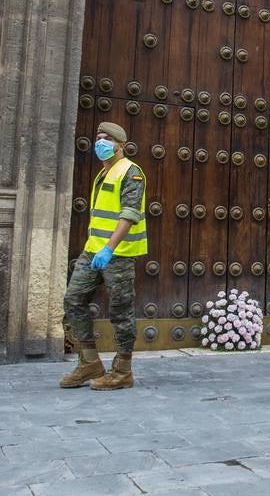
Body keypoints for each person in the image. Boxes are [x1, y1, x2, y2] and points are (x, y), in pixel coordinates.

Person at [60, 121, 148, 391]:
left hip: (118, 253)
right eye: (98, 137)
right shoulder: (103, 173)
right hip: (93, 251)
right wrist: (98, 248)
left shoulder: (131, 172)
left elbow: (129, 215)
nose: (100, 142)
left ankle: (122, 370)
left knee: (121, 312)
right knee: (73, 300)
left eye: (106, 139)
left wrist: (109, 248)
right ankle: (89, 362)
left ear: (120, 145)